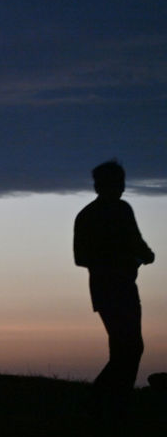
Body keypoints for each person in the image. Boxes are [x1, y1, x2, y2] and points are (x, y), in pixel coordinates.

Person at [73, 160, 155, 408]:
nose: (121, 187)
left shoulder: (122, 210)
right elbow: (81, 258)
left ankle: (111, 401)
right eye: (116, 183)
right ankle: (105, 401)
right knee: (127, 348)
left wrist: (142, 256)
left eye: (121, 182)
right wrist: (124, 259)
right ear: (100, 185)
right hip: (108, 290)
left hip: (125, 288)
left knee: (128, 348)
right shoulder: (89, 216)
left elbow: (140, 245)